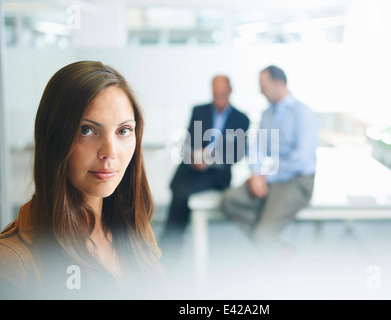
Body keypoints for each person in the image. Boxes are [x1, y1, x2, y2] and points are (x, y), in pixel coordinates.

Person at [0, 61, 164, 299]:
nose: (109, 151)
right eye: (87, 130)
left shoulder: (135, 229)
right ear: (54, 138)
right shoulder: (12, 260)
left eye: (123, 131)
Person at [222, 65, 318, 257]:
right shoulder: (268, 114)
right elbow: (257, 147)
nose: (260, 91)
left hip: (298, 180)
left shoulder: (303, 113)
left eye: (263, 86)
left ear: (279, 84)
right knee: (229, 201)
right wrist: (256, 173)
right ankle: (276, 246)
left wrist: (266, 177)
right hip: (271, 177)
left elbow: (302, 158)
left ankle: (272, 248)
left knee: (263, 234)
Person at [161, 75, 250, 259]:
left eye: (222, 94)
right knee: (179, 187)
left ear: (230, 91)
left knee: (181, 192)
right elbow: (188, 141)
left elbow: (238, 153)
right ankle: (170, 243)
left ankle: (170, 245)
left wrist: (212, 159)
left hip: (217, 174)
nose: (218, 99)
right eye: (215, 94)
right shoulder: (199, 111)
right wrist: (194, 155)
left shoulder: (241, 119)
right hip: (193, 167)